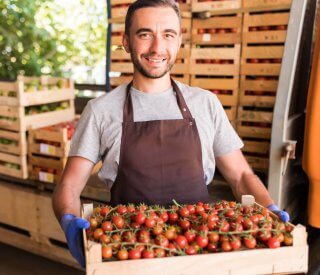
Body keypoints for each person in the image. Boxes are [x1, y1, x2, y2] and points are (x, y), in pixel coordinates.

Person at [52, 0, 289, 267]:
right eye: (145, 34)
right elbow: (69, 186)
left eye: (168, 35)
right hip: (129, 255)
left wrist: (269, 208)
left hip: (199, 252)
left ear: (178, 42)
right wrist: (69, 221)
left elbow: (241, 176)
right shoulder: (101, 111)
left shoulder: (205, 103)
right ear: (127, 42)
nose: (157, 47)